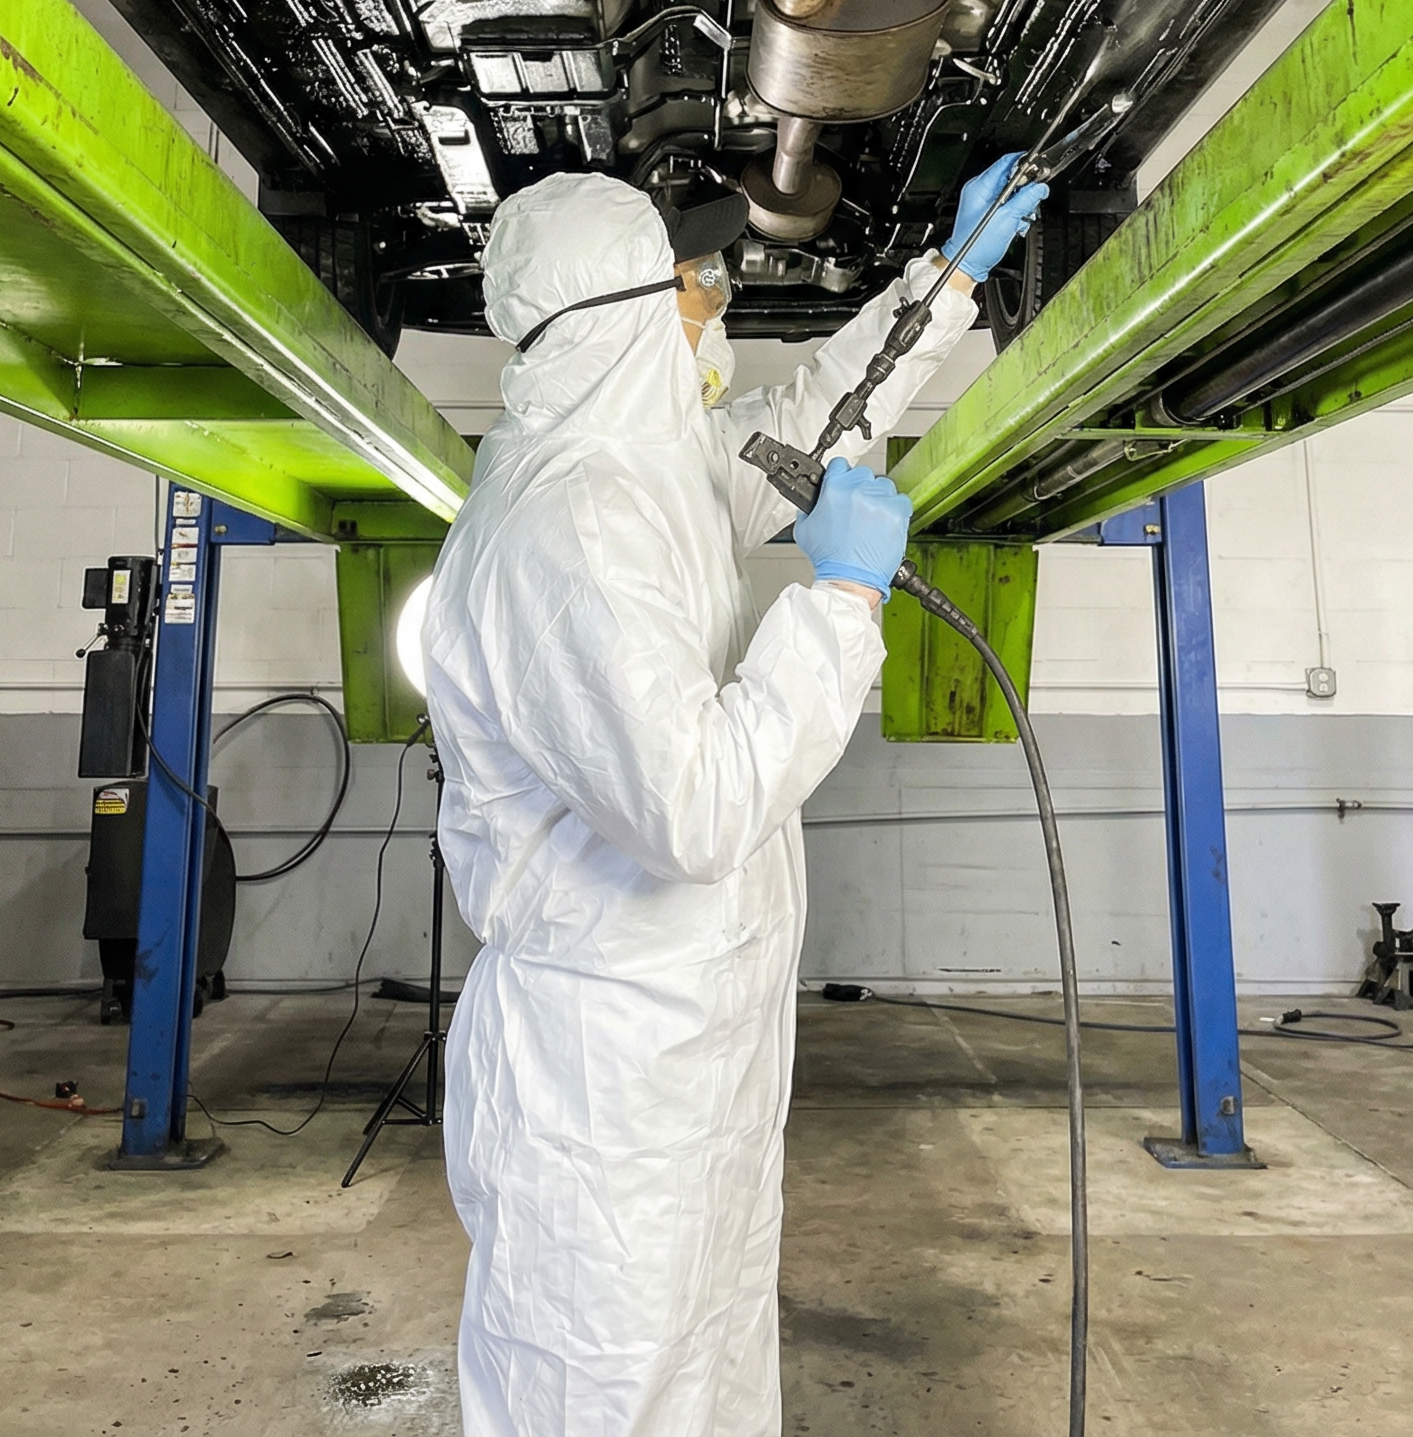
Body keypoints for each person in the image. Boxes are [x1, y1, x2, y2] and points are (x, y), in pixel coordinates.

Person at [423, 159, 1046, 1437]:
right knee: (605, 1387)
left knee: (700, 1365)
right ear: (621, 316)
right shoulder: (571, 528)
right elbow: (696, 810)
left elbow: (820, 419)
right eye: (689, 280)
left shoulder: (645, 470)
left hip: (682, 1049)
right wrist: (843, 604)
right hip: (609, 1079)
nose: (713, 299)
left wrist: (948, 275)